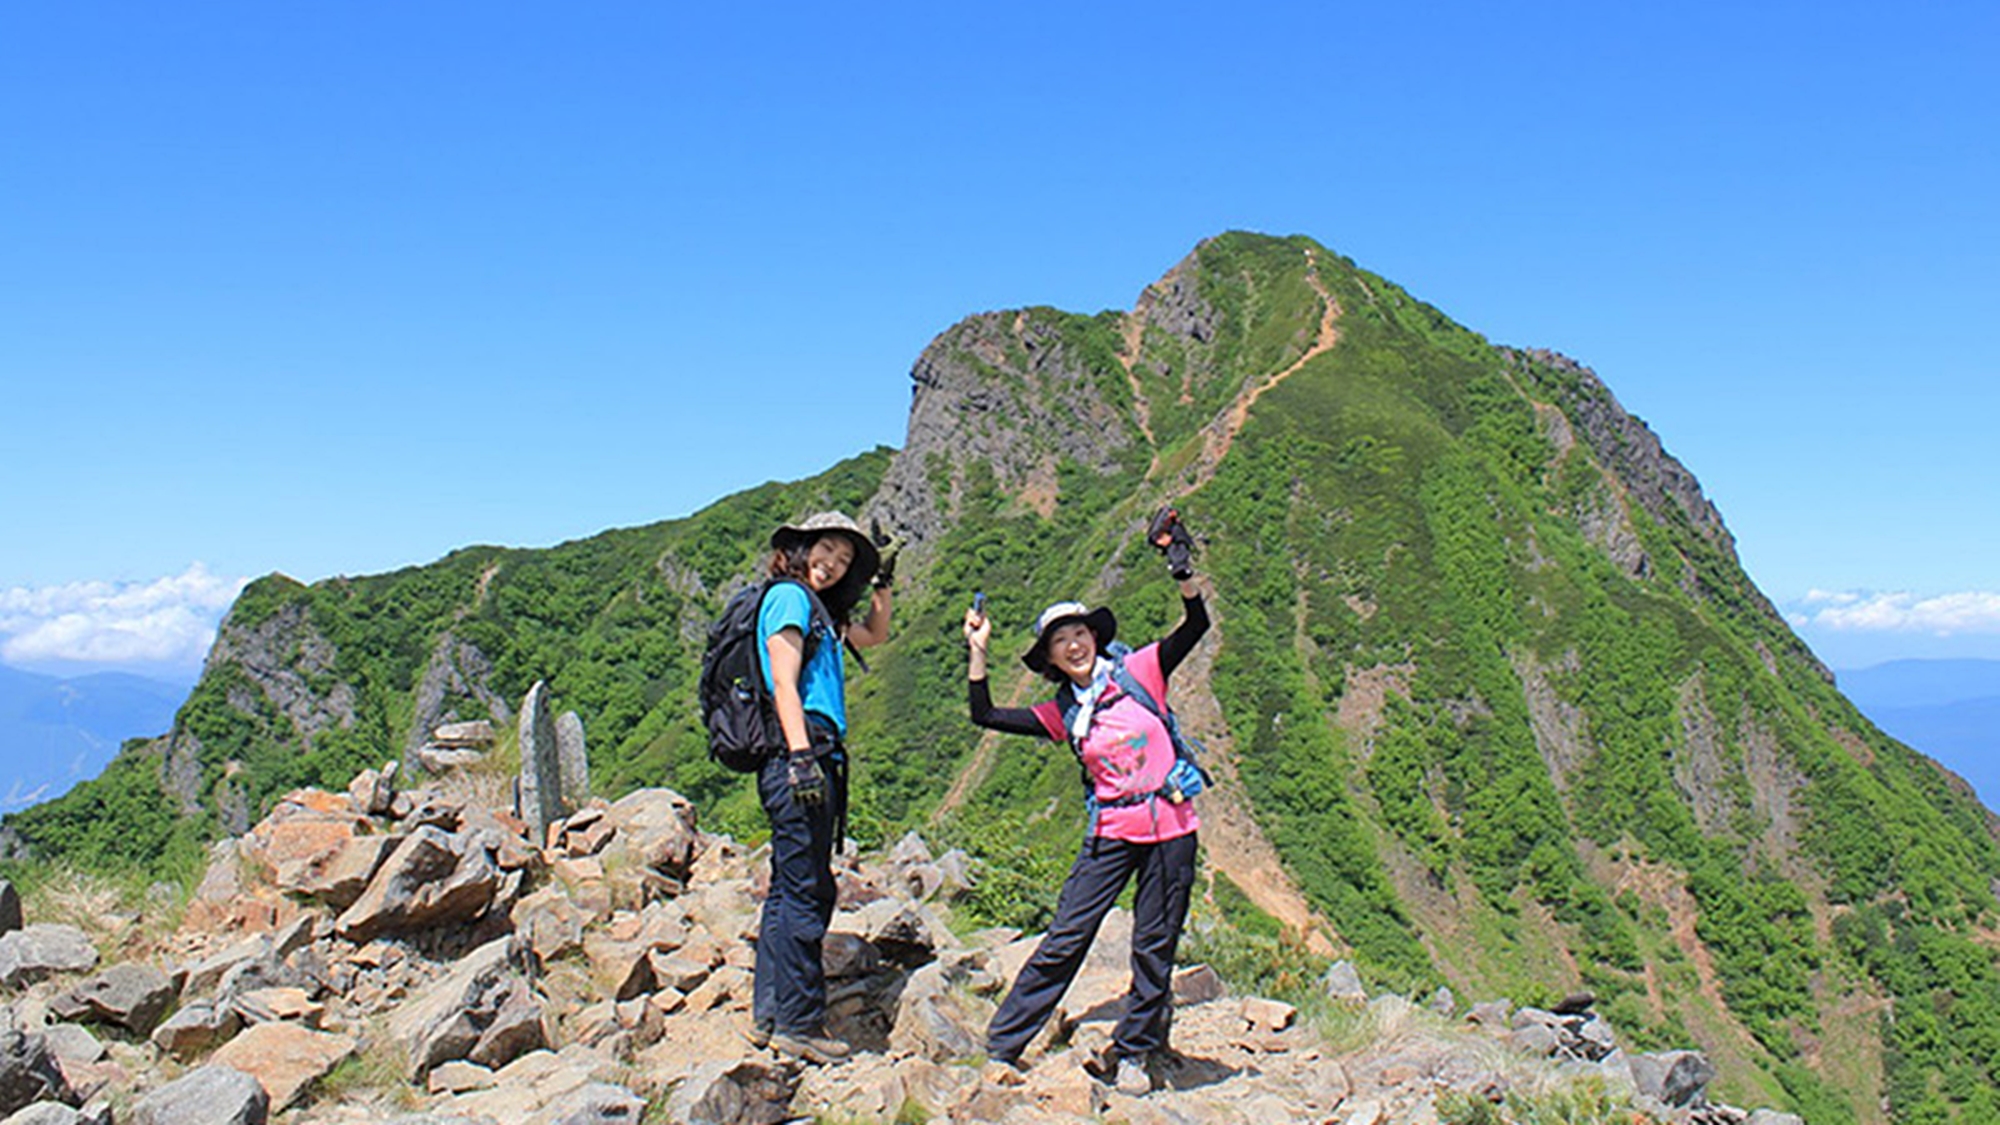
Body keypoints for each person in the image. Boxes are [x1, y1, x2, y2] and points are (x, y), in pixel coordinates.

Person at [962, 509, 1207, 1096]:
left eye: (1078, 634)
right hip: (1112, 833)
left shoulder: (1141, 670)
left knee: (1154, 945)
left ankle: (1135, 1052)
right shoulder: (1064, 713)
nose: (1072, 645)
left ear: (1094, 637)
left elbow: (1195, 624)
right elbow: (984, 713)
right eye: (1059, 641)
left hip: (1172, 827)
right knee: (1068, 935)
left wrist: (1181, 569)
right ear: (1049, 658)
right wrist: (978, 649)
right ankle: (1002, 1044)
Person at [750, 511, 894, 1063]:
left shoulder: (821, 615)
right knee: (807, 892)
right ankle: (799, 1022)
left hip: (810, 753)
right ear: (802, 547)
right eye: (827, 549)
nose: (832, 564)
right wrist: (802, 758)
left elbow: (875, 635)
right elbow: (783, 683)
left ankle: (771, 1014)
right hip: (801, 752)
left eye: (844, 559)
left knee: (791, 889)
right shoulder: (789, 598)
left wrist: (882, 586)